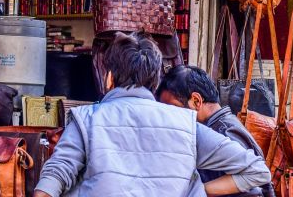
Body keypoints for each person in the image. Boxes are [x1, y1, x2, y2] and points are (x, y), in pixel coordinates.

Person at [34, 33, 271, 197]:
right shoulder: (187, 125)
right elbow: (257, 170)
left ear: (109, 79)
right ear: (154, 81)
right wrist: (199, 190)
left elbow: (56, 174)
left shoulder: (86, 119)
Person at [157, 65, 275, 197]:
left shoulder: (223, 131)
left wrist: (196, 191)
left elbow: (256, 182)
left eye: (174, 109)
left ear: (196, 101)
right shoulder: (221, 126)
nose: (170, 116)